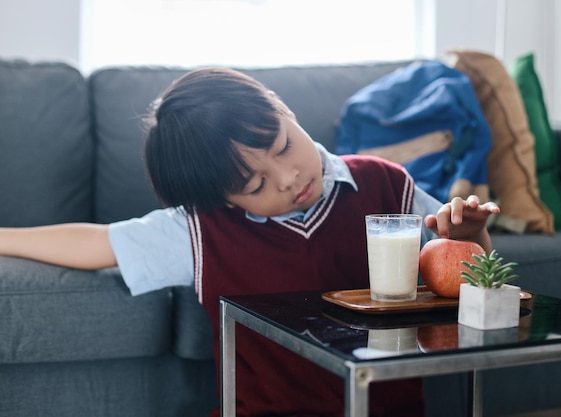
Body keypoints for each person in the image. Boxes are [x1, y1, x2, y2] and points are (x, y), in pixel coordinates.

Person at [0, 67, 499, 416]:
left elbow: (479, 286)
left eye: (283, 145)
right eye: (254, 186)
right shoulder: (201, 230)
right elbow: (100, 243)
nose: (285, 178)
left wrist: (473, 236)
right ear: (222, 199)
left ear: (283, 108)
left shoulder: (388, 186)